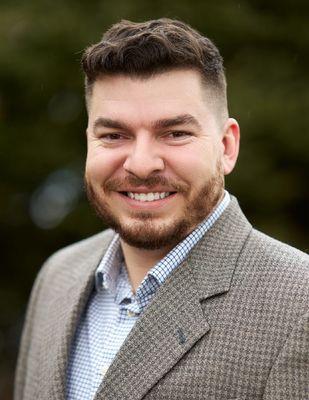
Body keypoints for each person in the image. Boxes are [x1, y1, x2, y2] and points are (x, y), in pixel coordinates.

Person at [15, 18, 308, 400]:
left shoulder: (299, 306)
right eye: (114, 135)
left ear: (227, 147)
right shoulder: (57, 277)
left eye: (175, 133)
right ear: (89, 141)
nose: (141, 164)